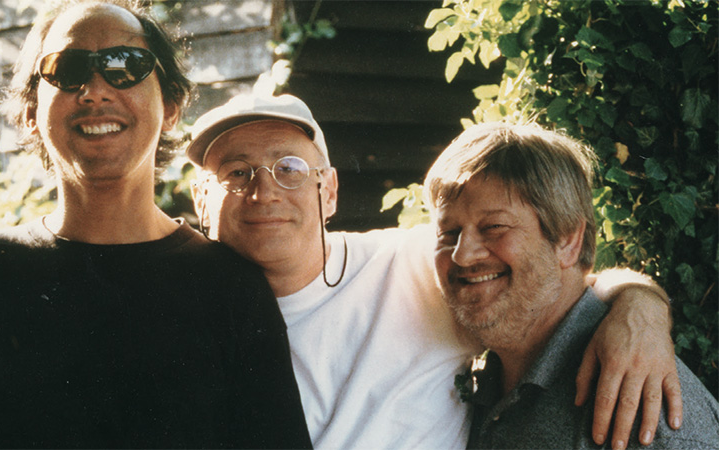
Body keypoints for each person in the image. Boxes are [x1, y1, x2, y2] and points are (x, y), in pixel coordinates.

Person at [0, 2, 311, 448]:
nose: (97, 90)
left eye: (126, 66)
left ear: (171, 107)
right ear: (30, 115)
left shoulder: (229, 288)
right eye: (67, 70)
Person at [187, 93, 682, 449]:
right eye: (235, 172)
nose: (264, 191)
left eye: (289, 168)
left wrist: (640, 305)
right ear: (200, 200)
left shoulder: (423, 265)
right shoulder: (173, 310)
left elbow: (551, 278)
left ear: (330, 191)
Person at [425, 122, 719, 448]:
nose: (463, 255)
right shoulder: (483, 384)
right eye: (448, 233)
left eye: (494, 226)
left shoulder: (642, 403)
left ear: (568, 240)